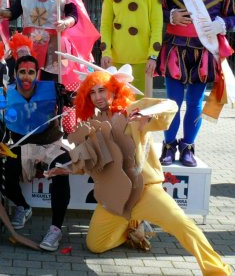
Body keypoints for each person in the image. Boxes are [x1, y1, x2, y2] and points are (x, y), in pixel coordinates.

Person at [72, 69, 232, 276]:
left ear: (114, 90)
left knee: (182, 225)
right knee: (95, 244)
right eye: (92, 93)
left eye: (102, 90)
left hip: (146, 190)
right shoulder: (92, 125)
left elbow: (170, 106)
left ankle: (218, 271)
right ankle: (132, 227)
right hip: (116, 198)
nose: (98, 97)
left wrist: (145, 116)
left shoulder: (131, 111)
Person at [0, 0, 98, 133]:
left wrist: (66, 23)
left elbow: (74, 14)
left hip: (53, 45)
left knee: (50, 89)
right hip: (28, 46)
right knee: (26, 85)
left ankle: (52, 129)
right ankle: (25, 126)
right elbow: (14, 12)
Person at [156, 0, 235, 167]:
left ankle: (188, 146)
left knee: (195, 103)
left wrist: (222, 23)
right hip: (175, 49)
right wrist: (170, 15)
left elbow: (232, 17)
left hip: (203, 52)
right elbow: (154, 13)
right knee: (172, 102)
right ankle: (169, 146)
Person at [0, 34, 73, 251]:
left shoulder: (54, 89)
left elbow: (75, 101)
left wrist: (68, 97)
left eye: (30, 72)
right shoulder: (5, 94)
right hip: (20, 145)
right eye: (22, 72)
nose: (26, 77)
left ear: (37, 74)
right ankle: (22, 206)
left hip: (51, 145)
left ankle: (56, 229)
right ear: (16, 73)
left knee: (61, 168)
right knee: (0, 165)